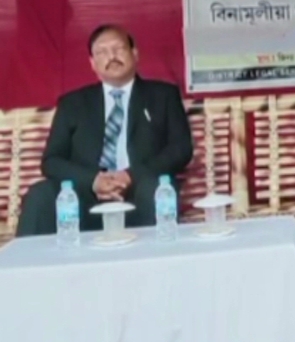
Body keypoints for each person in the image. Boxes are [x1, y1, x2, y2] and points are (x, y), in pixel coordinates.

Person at [17, 25, 194, 236]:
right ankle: (26, 268)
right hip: (84, 196)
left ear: (135, 54)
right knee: (41, 194)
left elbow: (181, 148)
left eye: (119, 49)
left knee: (156, 191)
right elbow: (51, 161)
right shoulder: (73, 104)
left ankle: (159, 266)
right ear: (92, 63)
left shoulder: (163, 95)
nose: (112, 57)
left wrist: (130, 176)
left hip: (140, 190)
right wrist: (94, 180)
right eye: (102, 52)